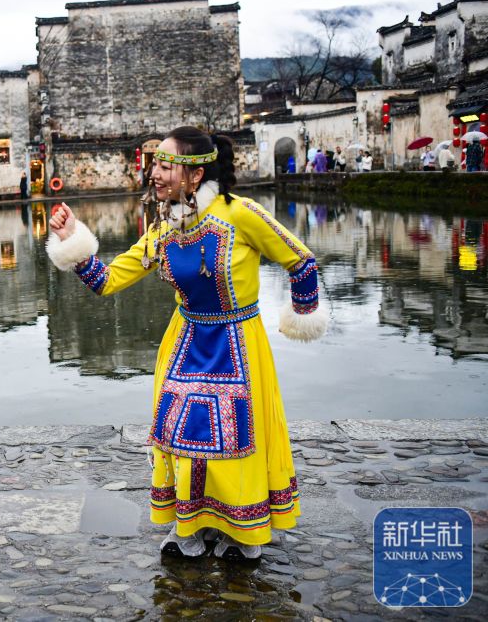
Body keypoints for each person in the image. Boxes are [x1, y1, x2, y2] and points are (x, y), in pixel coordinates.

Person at [46, 126, 327, 561]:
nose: (153, 173)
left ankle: (242, 530)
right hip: (185, 338)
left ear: (194, 175)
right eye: (154, 164)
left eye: (163, 164)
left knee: (236, 438)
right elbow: (108, 280)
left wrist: (303, 314)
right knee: (181, 434)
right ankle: (191, 527)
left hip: (236, 340)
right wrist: (72, 241)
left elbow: (301, 259)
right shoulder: (164, 228)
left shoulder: (241, 214)